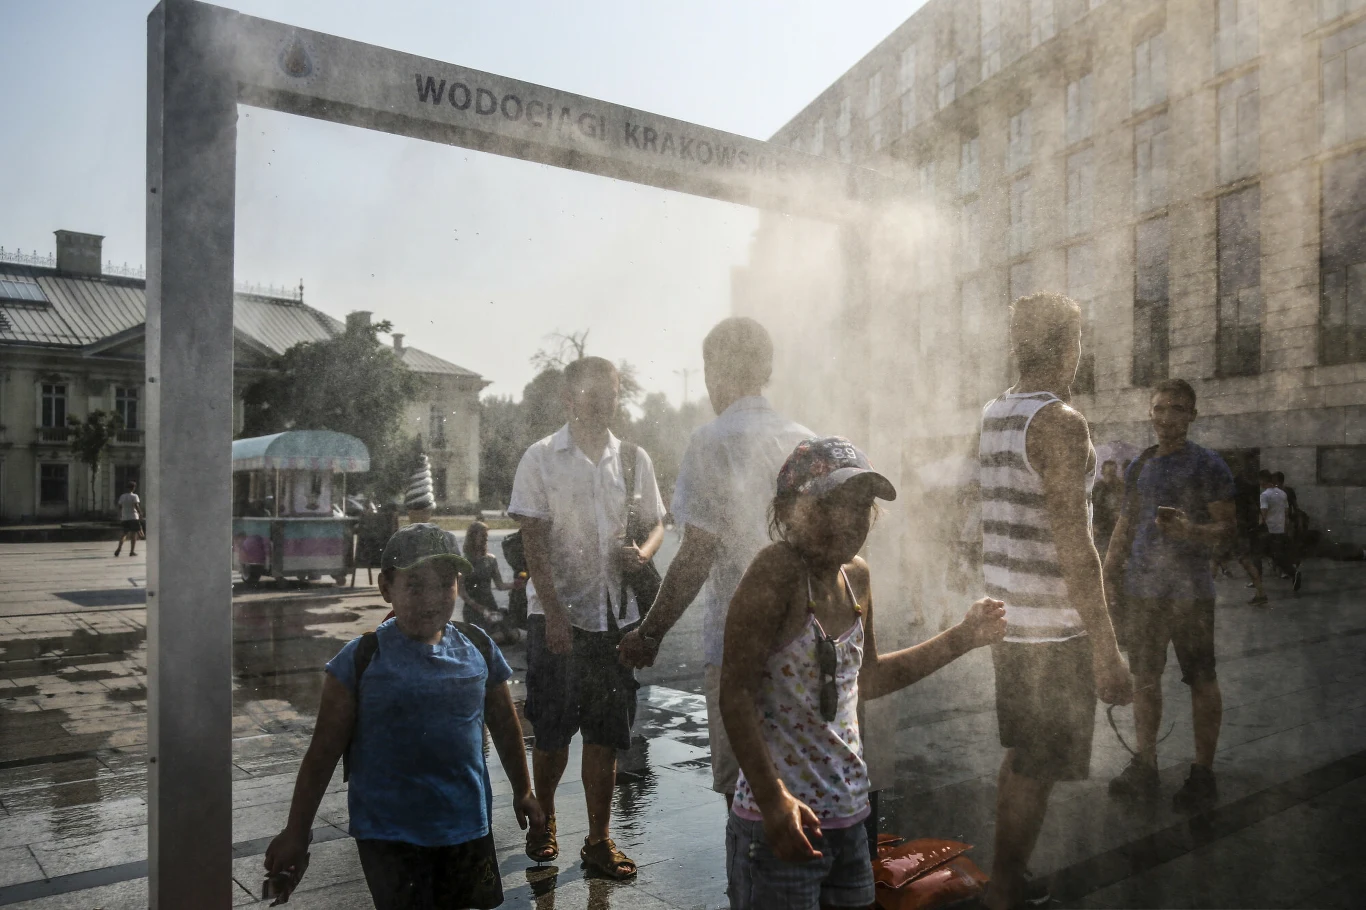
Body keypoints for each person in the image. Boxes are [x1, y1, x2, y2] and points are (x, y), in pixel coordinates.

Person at [721, 436, 1007, 910]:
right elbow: (735, 693)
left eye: (862, 507)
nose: (852, 521)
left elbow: (867, 678)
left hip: (850, 816)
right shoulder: (775, 573)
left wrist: (962, 637)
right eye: (833, 504)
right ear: (791, 508)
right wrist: (774, 801)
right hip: (780, 825)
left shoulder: (858, 577)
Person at [263, 523, 543, 909]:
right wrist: (297, 832)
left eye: (445, 582)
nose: (431, 598)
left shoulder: (477, 646)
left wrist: (523, 790)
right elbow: (322, 754)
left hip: (467, 826)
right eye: (414, 585)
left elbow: (505, 725)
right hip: (389, 835)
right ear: (385, 588)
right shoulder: (360, 660)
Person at [616, 316, 813, 808]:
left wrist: (650, 633)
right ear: (766, 369)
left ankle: (750, 886)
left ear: (712, 371)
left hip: (737, 648)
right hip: (803, 644)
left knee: (747, 795)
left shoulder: (711, 441)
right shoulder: (804, 440)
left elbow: (697, 553)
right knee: (801, 785)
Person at [980, 293, 1132, 910]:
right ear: (1070, 347)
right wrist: (1107, 649)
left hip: (1011, 623)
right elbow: (1075, 545)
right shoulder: (1060, 422)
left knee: (1025, 755)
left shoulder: (996, 413)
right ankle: (1005, 886)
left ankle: (1007, 873)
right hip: (1050, 631)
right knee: (1037, 764)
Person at [509, 356, 666, 879]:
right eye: (593, 392)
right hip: (558, 619)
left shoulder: (632, 458)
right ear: (568, 397)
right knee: (552, 734)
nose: (604, 401)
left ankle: (598, 841)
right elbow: (533, 542)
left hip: (615, 622)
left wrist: (642, 553)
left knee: (606, 735)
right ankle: (545, 820)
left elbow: (655, 526)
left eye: (613, 391)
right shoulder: (540, 458)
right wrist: (552, 615)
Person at [1104, 379, 1235, 813]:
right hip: (1143, 591)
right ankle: (1146, 762)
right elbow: (1125, 524)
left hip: (1191, 594)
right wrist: (1107, 573)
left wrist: (1190, 531)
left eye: (1177, 410)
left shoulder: (1208, 465)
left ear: (1193, 415)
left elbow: (1228, 529)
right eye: (1159, 409)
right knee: (1144, 680)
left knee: (1201, 679)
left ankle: (1203, 771)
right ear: (1150, 412)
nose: (1166, 418)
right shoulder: (1140, 464)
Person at [460, 520, 519, 646]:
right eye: (482, 536)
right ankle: (475, 640)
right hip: (473, 609)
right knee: (498, 637)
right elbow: (461, 591)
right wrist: (479, 608)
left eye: (486, 536)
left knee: (513, 636)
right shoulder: (465, 561)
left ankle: (481, 640)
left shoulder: (491, 559)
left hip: (490, 605)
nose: (485, 539)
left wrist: (515, 585)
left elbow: (500, 585)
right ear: (472, 537)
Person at [1259, 473, 1298, 590]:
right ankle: (1291, 571)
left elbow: (1264, 512)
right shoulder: (1282, 493)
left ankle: (1257, 580)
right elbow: (1286, 511)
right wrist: (1285, 525)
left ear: (1263, 482)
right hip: (1280, 528)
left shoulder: (1265, 495)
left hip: (1269, 528)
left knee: (1259, 553)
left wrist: (1260, 524)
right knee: (1277, 553)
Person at [1272, 472, 1304, 591]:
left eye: (1276, 482)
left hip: (1286, 522)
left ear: (1281, 481)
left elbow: (1295, 507)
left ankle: (1288, 569)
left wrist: (1299, 521)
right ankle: (1283, 569)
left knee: (1285, 545)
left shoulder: (1288, 491)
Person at [1091, 460, 1123, 555]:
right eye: (1108, 473)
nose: (1110, 476)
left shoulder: (1119, 487)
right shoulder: (1097, 487)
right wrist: (1093, 524)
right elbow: (1091, 506)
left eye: (1112, 473)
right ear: (1102, 472)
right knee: (1101, 552)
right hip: (1100, 526)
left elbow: (1122, 505)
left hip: (1114, 525)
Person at [114, 481, 141, 557]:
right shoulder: (135, 496)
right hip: (133, 517)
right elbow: (136, 505)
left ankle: (119, 547)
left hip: (125, 517)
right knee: (133, 535)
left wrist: (119, 515)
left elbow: (119, 506)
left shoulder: (122, 496)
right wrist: (140, 513)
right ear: (133, 488)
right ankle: (132, 551)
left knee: (124, 534)